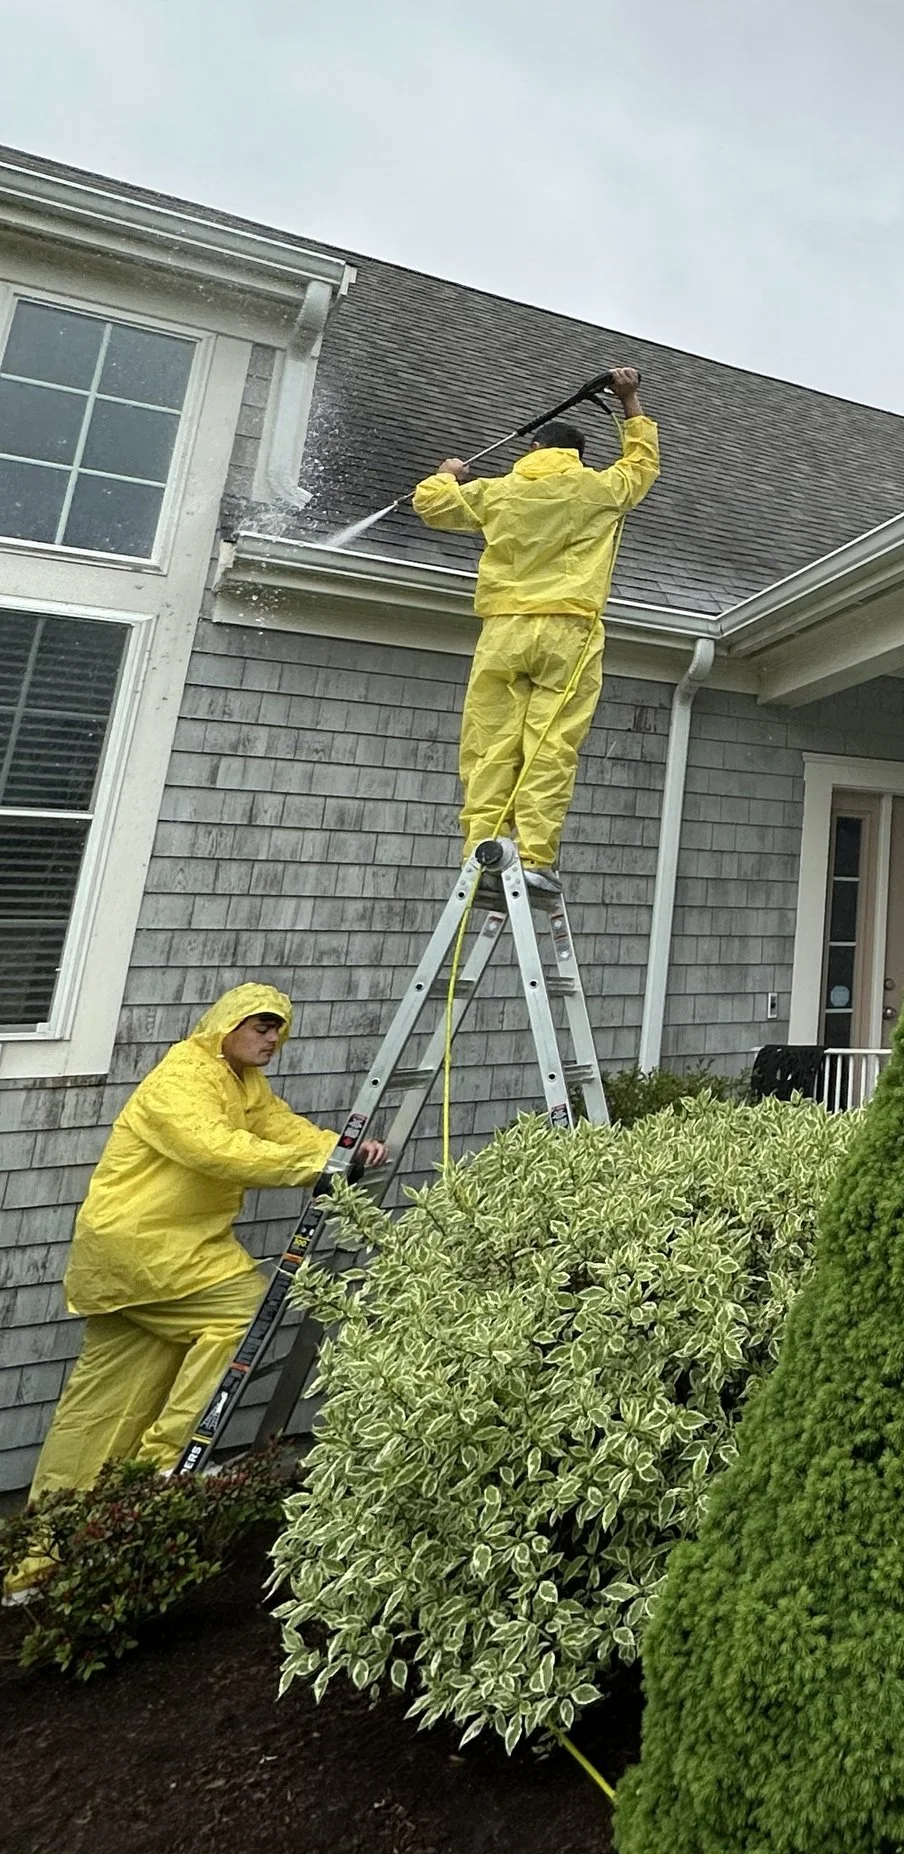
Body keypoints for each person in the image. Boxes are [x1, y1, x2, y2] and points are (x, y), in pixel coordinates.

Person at [17, 987, 385, 1560]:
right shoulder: (182, 1079)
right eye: (260, 1027)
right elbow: (216, 1149)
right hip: (145, 1251)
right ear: (226, 1025)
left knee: (100, 1411)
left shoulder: (241, 1081)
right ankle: (164, 1465)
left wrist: (340, 1148)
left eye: (277, 1029)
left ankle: (43, 1554)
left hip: (162, 1258)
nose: (272, 1039)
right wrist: (320, 1164)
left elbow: (277, 1126)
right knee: (244, 1311)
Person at [411, 364, 658, 889]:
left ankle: (481, 853)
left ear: (531, 453)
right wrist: (629, 400)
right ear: (576, 456)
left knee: (489, 745)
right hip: (569, 631)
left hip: (504, 630)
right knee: (550, 747)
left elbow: (431, 504)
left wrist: (449, 472)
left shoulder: (498, 493)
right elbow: (642, 463)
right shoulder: (598, 489)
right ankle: (534, 857)